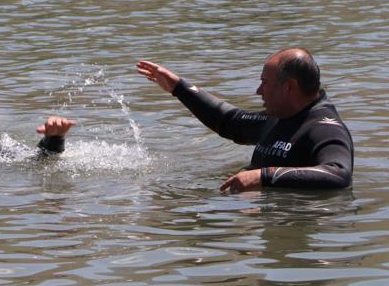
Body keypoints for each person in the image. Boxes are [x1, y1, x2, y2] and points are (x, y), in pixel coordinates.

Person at [137, 48, 353, 192]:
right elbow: (231, 121)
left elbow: (338, 174)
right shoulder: (279, 117)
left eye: (264, 83)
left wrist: (264, 177)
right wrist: (179, 88)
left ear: (290, 87)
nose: (258, 91)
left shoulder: (325, 128)